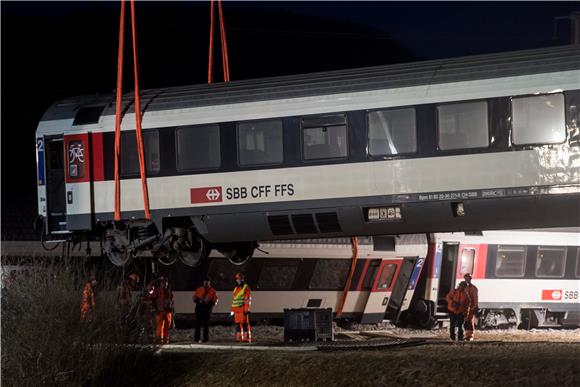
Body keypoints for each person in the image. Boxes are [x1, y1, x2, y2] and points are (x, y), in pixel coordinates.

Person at [148, 275, 174, 344]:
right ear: (161, 283)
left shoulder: (169, 291)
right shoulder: (157, 290)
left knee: (167, 327)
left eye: (166, 282)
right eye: (163, 282)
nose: (165, 284)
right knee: (159, 327)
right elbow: (150, 295)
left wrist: (171, 310)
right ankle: (159, 340)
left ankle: (165, 340)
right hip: (160, 311)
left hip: (168, 311)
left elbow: (171, 301)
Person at [193, 277, 218, 343]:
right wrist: (199, 301)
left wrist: (209, 303)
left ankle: (205, 339)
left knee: (206, 325)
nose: (206, 283)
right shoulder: (199, 289)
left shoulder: (213, 291)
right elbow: (194, 298)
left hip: (207, 309)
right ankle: (197, 339)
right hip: (199, 308)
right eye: (205, 282)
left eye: (207, 282)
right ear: (203, 282)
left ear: (209, 283)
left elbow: (215, 300)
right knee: (198, 324)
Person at [231, 272, 252, 342]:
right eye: (237, 279)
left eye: (240, 279)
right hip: (237, 309)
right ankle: (238, 338)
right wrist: (232, 310)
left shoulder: (246, 287)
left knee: (244, 324)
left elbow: (247, 299)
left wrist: (246, 309)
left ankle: (246, 338)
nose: (238, 280)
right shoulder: (236, 288)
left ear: (242, 279)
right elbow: (234, 300)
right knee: (238, 324)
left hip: (243, 309)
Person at [463, 273, 479, 341]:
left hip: (471, 307)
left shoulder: (473, 288)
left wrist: (475, 306)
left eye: (468, 278)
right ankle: (467, 335)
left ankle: (470, 335)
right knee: (467, 321)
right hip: (466, 307)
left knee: (469, 321)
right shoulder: (466, 288)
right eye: (466, 279)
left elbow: (475, 298)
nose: (467, 280)